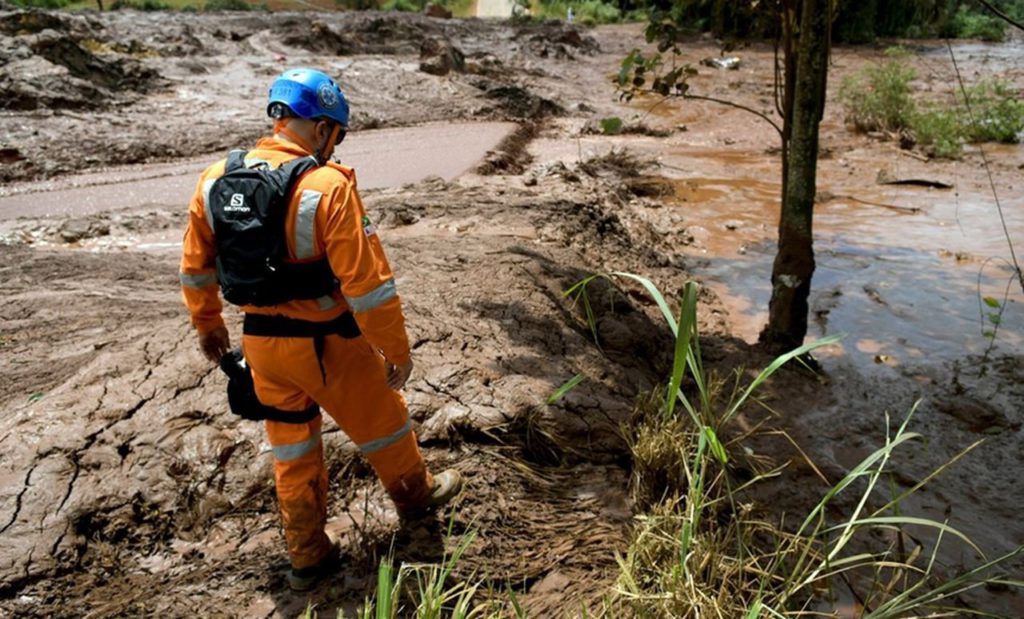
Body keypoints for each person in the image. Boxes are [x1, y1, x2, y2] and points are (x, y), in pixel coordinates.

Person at [179, 67, 463, 592]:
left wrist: (208, 325)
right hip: (329, 343)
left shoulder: (216, 178)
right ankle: (416, 498)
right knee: (385, 423)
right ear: (322, 126)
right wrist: (395, 349)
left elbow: (196, 265)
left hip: (260, 345)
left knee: (291, 450)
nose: (335, 145)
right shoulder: (327, 186)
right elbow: (369, 286)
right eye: (337, 133)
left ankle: (307, 555)